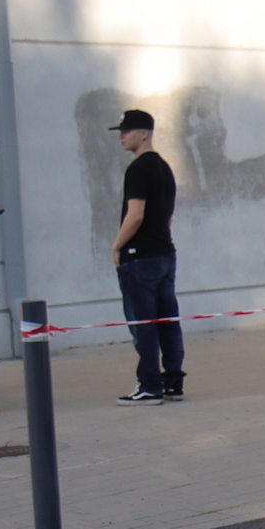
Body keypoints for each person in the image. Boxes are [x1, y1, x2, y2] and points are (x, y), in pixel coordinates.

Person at [109, 107, 184, 405]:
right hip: (165, 254)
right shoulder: (164, 167)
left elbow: (135, 215)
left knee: (144, 323)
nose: (121, 137)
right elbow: (167, 216)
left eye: (126, 131)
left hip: (140, 258)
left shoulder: (139, 168)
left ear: (144, 133)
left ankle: (150, 385)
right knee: (168, 319)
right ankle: (173, 382)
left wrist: (116, 246)